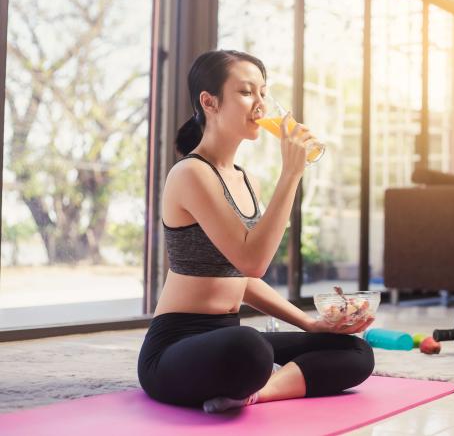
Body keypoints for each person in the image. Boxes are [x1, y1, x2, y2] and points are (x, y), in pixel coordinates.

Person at [137, 49, 375, 413]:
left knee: (356, 351)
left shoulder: (248, 181)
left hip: (227, 336)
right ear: (209, 101)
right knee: (250, 349)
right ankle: (252, 380)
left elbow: (242, 279)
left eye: (264, 93)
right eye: (247, 92)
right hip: (174, 344)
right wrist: (292, 173)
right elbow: (253, 262)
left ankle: (256, 394)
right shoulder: (190, 174)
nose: (261, 105)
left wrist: (311, 325)